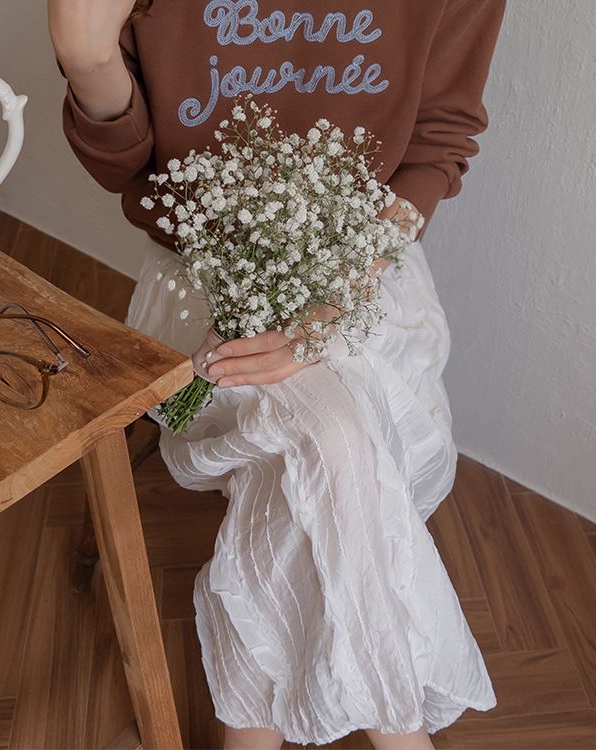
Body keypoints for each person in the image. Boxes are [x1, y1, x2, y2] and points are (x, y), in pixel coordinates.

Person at [49, 2, 507, 748]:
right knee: (335, 443)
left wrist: (336, 298)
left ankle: (249, 734)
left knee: (323, 444)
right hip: (198, 274)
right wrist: (87, 60)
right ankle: (401, 731)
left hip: (369, 266)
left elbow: (437, 141)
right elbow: (127, 167)